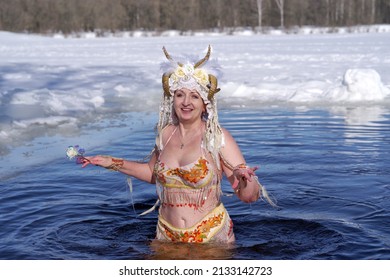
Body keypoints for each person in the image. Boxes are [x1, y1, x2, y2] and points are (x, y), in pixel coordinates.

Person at [82, 45, 274, 244]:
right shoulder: (165, 134)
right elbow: (151, 173)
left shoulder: (216, 137)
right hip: (166, 235)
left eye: (194, 96)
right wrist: (111, 162)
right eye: (180, 95)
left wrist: (246, 180)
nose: (186, 102)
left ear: (205, 103)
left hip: (211, 236)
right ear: (172, 99)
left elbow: (249, 197)